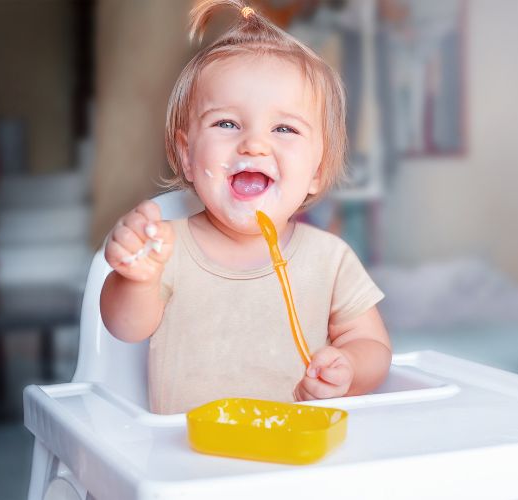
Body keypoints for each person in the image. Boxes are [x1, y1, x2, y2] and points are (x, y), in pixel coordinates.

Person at [100, 0, 391, 414]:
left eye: (284, 129)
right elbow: (125, 328)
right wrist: (135, 278)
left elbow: (374, 348)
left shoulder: (330, 259)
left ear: (317, 169)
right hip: (191, 460)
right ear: (186, 154)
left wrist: (349, 367)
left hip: (298, 459)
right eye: (227, 124)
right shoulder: (167, 248)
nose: (254, 144)